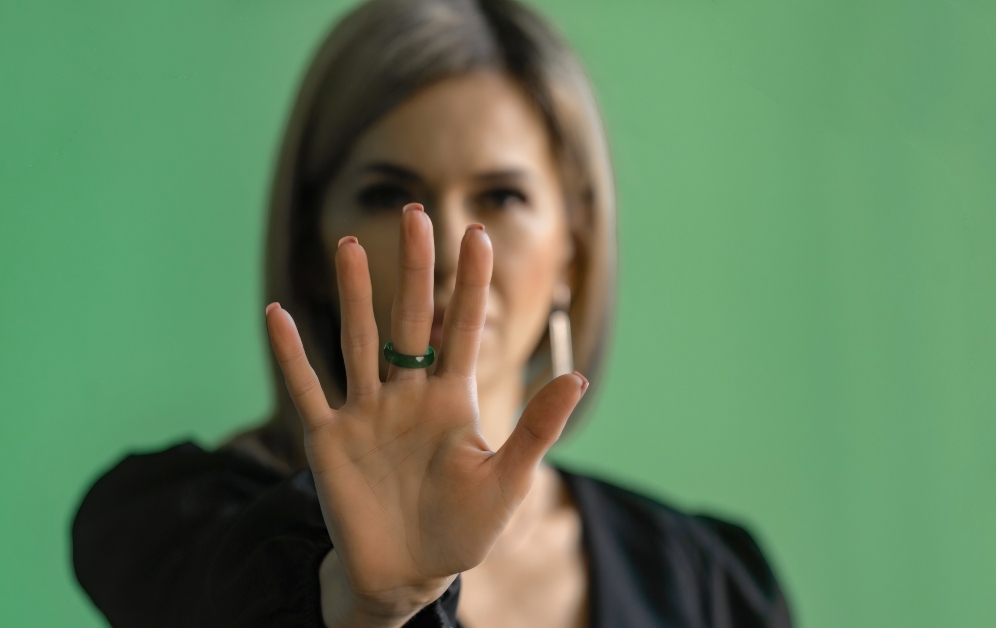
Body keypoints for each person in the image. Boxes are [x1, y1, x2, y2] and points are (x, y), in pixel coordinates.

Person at [71, 0, 794, 626]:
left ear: (573, 252)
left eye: (502, 197)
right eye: (389, 195)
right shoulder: (187, 533)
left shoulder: (709, 583)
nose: (448, 249)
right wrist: (367, 607)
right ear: (313, 245)